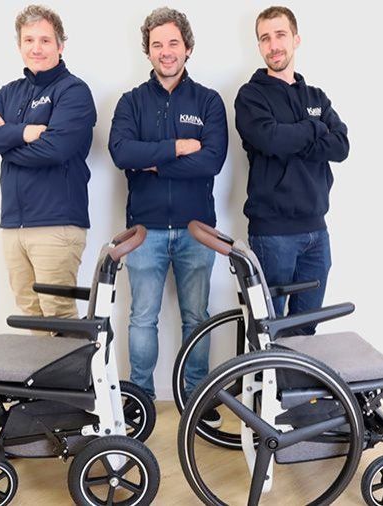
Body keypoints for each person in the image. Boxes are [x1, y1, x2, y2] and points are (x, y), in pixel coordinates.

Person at [108, 7, 227, 425]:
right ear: (148, 51)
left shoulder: (208, 101)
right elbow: (122, 153)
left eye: (173, 42)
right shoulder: (131, 102)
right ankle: (140, 397)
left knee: (197, 318)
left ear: (187, 48)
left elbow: (212, 161)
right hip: (145, 231)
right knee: (142, 318)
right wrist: (178, 147)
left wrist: (152, 161)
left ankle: (196, 397)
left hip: (198, 230)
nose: (166, 51)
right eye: (157, 44)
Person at [0, 5, 96, 322]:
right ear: (19, 45)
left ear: (60, 45)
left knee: (58, 316)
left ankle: (72, 362)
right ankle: (45, 364)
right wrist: (24, 133)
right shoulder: (9, 92)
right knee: (31, 315)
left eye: (45, 40)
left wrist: (3, 143)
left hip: (56, 225)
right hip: (14, 226)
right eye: (29, 40)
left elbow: (54, 150)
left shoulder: (73, 92)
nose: (36, 48)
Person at [234, 6, 349, 334]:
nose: (273, 45)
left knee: (306, 332)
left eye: (280, 35)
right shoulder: (251, 97)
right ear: (259, 46)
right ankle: (265, 373)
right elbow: (270, 139)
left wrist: (294, 137)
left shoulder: (316, 97)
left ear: (296, 39)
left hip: (317, 233)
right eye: (265, 38)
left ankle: (296, 373)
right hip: (273, 234)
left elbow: (341, 146)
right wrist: (315, 129)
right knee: (267, 332)